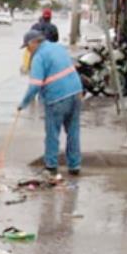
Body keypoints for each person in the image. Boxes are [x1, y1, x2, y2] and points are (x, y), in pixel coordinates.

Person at [18, 30, 83, 176]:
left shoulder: (39, 57)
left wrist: (23, 104)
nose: (28, 50)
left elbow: (35, 84)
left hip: (57, 97)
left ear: (33, 43)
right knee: (73, 131)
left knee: (52, 133)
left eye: (27, 47)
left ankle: (51, 166)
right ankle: (74, 166)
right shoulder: (58, 47)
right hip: (76, 92)